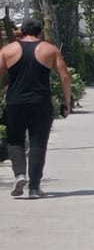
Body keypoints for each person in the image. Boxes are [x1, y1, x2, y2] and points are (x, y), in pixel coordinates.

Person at [2, 18, 72, 199]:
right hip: (41, 103)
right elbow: (64, 76)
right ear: (40, 32)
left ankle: (19, 174)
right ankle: (34, 187)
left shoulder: (8, 50)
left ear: (22, 31)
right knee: (38, 143)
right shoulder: (49, 50)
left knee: (15, 140)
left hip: (15, 102)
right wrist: (67, 103)